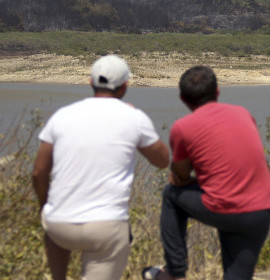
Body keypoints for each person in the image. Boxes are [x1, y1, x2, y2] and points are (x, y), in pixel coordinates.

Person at [32, 55, 169, 280]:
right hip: (106, 226)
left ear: (90, 82)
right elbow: (163, 161)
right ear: (125, 86)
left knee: (55, 238)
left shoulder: (62, 115)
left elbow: (38, 172)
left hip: (59, 223)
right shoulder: (133, 117)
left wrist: (45, 208)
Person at [143, 66, 270, 280]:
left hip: (224, 207)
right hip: (261, 209)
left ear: (183, 99)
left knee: (171, 195)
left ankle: (175, 272)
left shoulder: (183, 127)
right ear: (217, 91)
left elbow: (180, 176)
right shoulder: (243, 113)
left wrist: (184, 175)